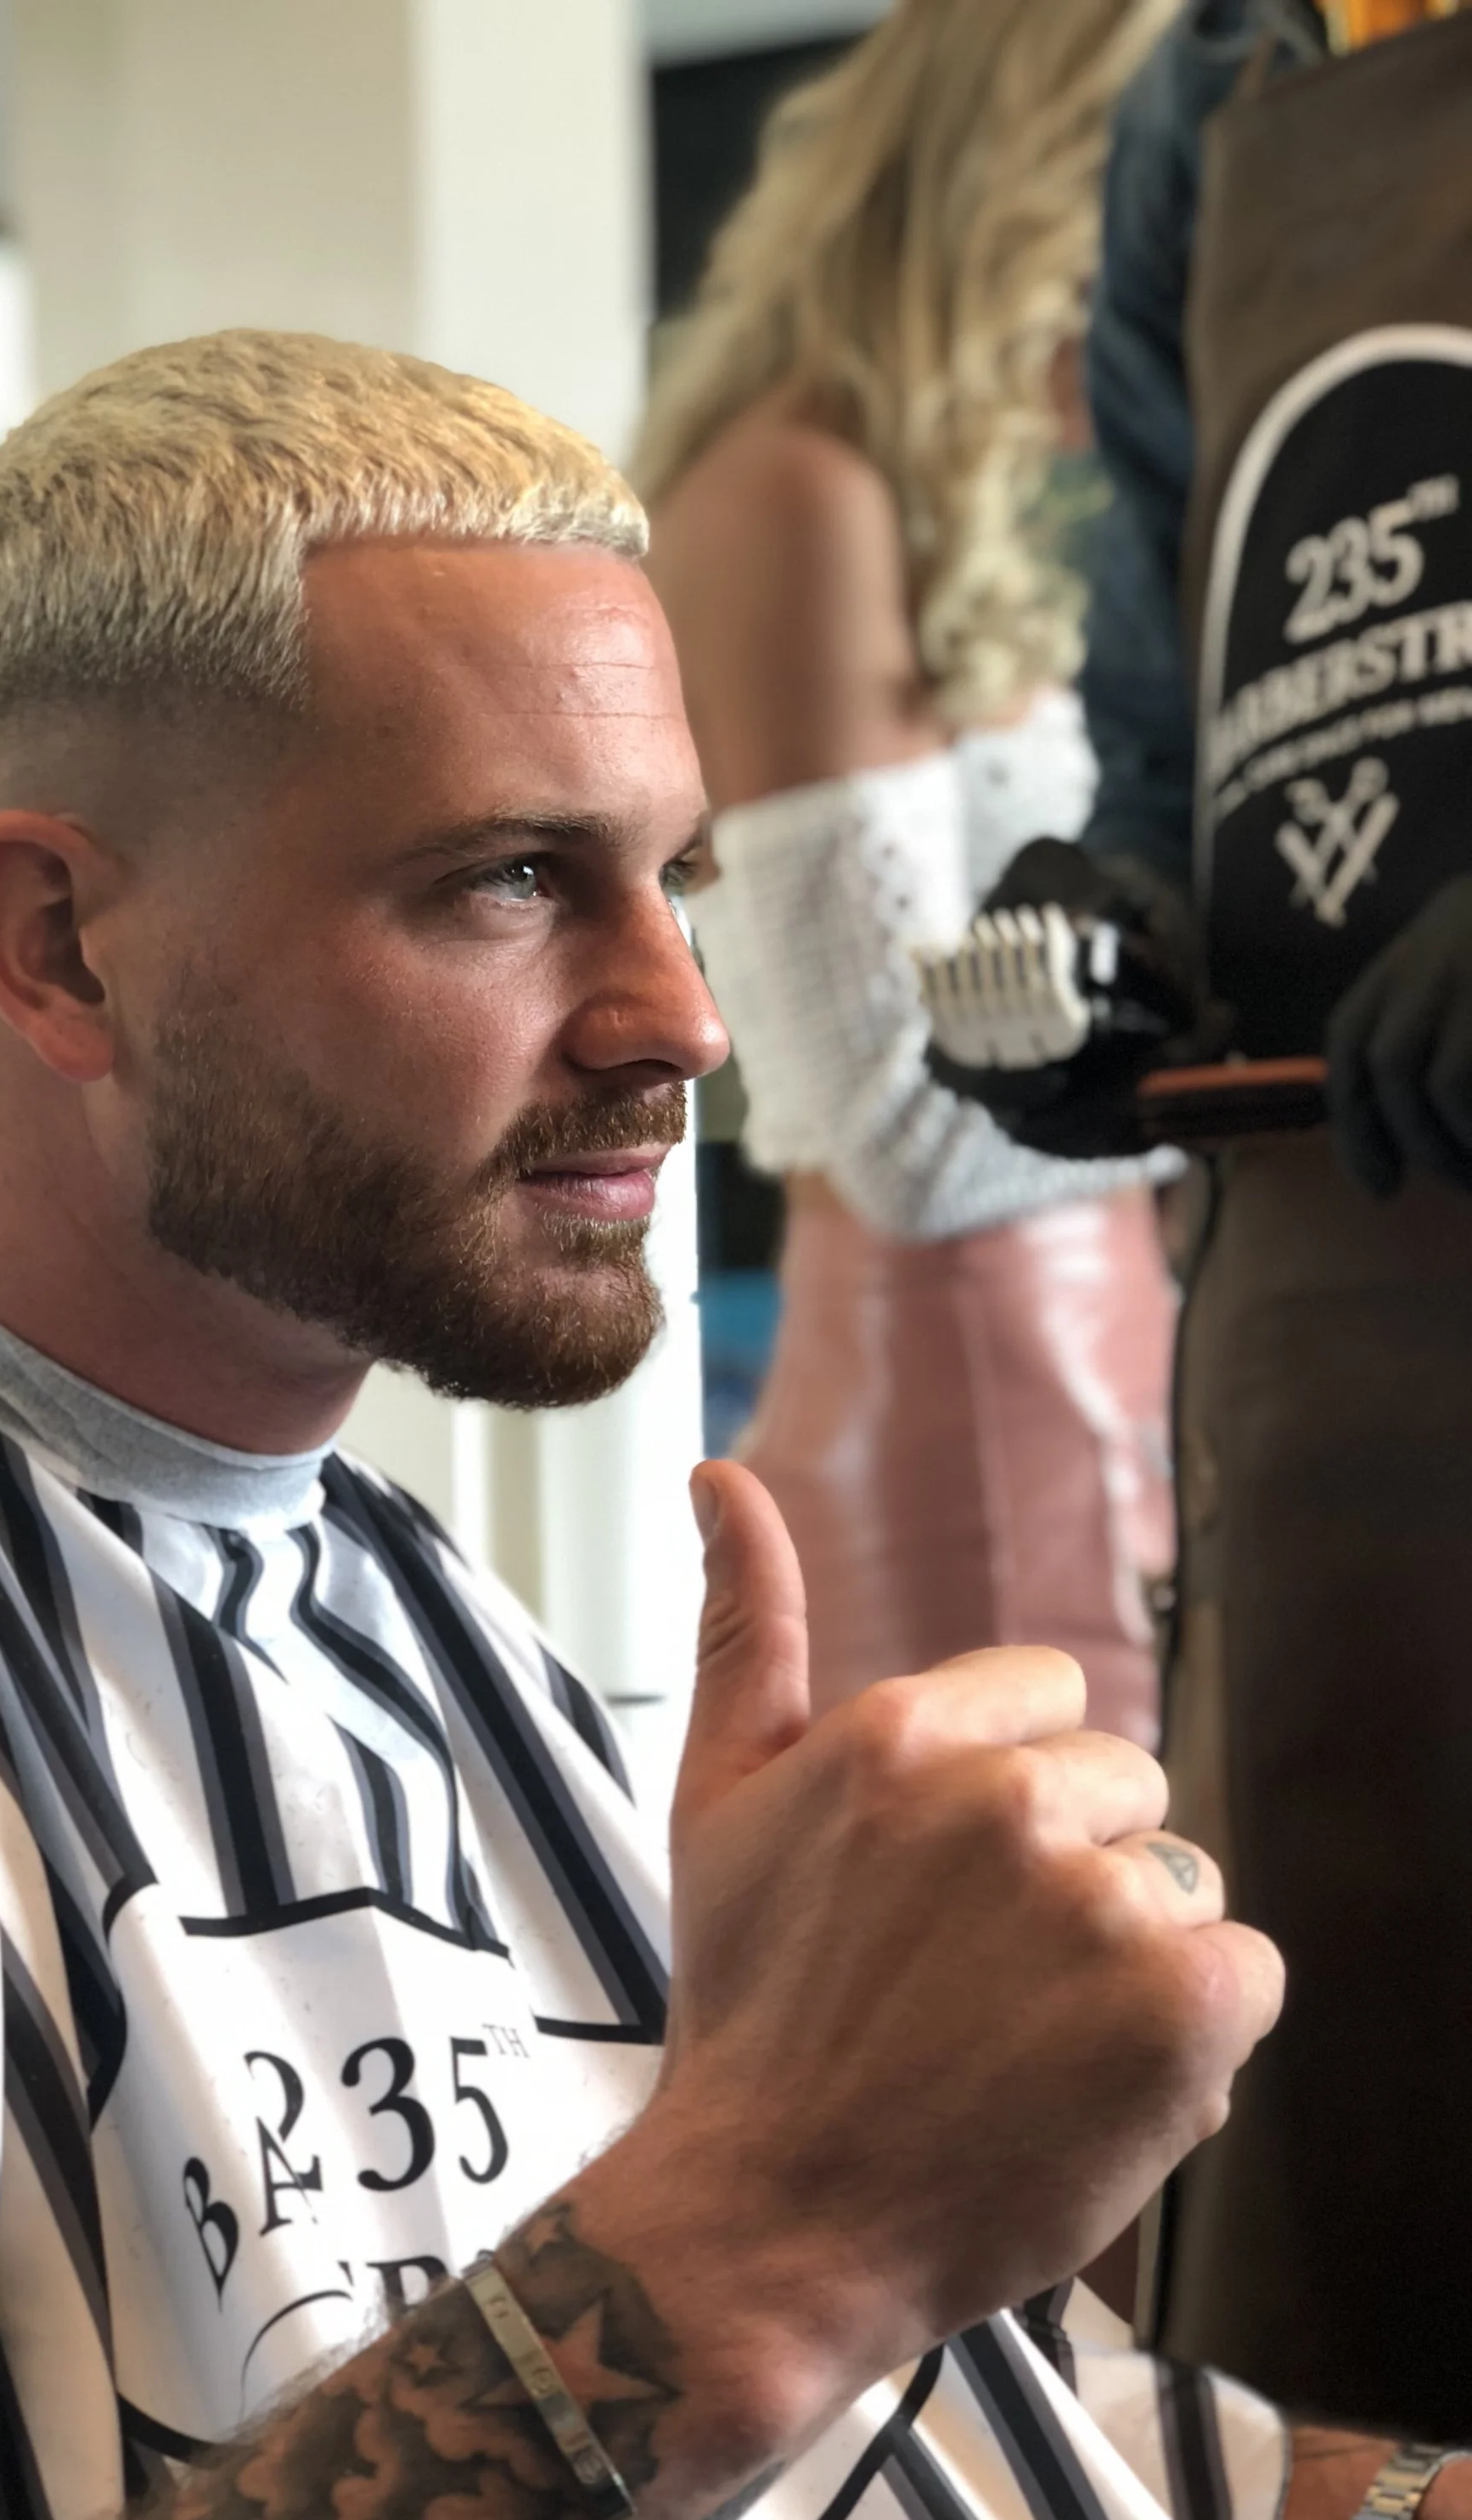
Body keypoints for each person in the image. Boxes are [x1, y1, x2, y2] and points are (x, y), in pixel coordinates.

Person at [0, 332, 1455, 2520]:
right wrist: (758, 2224)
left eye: (667, 874)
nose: (677, 1014)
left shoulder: (436, 1633)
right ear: (56, 948)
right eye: (502, 879)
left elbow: (934, 2438)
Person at [947, 0, 1472, 2459]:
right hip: (1324, 1372)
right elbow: (1179, 739)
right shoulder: (1213, 91)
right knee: (1349, 2218)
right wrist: (1114, 923)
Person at [638, 0, 1184, 1753]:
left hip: (1091, 1354)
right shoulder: (796, 492)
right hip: (975, 1393)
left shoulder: (932, 505)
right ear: (1041, 183)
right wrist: (1270, 1083)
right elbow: (898, 1124)